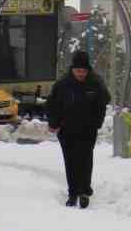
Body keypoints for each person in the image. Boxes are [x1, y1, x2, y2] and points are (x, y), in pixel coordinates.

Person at [46, 51, 110, 208]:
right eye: (78, 70)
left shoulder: (95, 83)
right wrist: (54, 123)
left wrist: (98, 122)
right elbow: (52, 105)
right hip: (67, 129)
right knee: (71, 161)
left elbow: (104, 102)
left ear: (88, 70)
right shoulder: (62, 84)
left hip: (88, 129)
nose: (81, 73)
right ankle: (73, 193)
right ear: (72, 69)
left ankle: (84, 192)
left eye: (83, 70)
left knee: (85, 159)